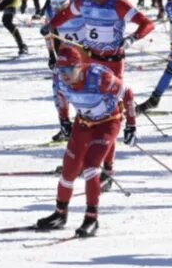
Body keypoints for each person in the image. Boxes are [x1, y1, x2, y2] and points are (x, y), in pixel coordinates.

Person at [33, 45, 136, 237]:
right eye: (60, 71)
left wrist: (131, 125)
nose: (64, 75)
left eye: (68, 70)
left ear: (79, 66)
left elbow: (128, 94)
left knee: (91, 166)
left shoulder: (100, 78)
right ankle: (60, 214)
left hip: (107, 123)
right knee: (69, 169)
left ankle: (91, 219)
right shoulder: (61, 80)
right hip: (83, 123)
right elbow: (61, 99)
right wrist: (63, 120)